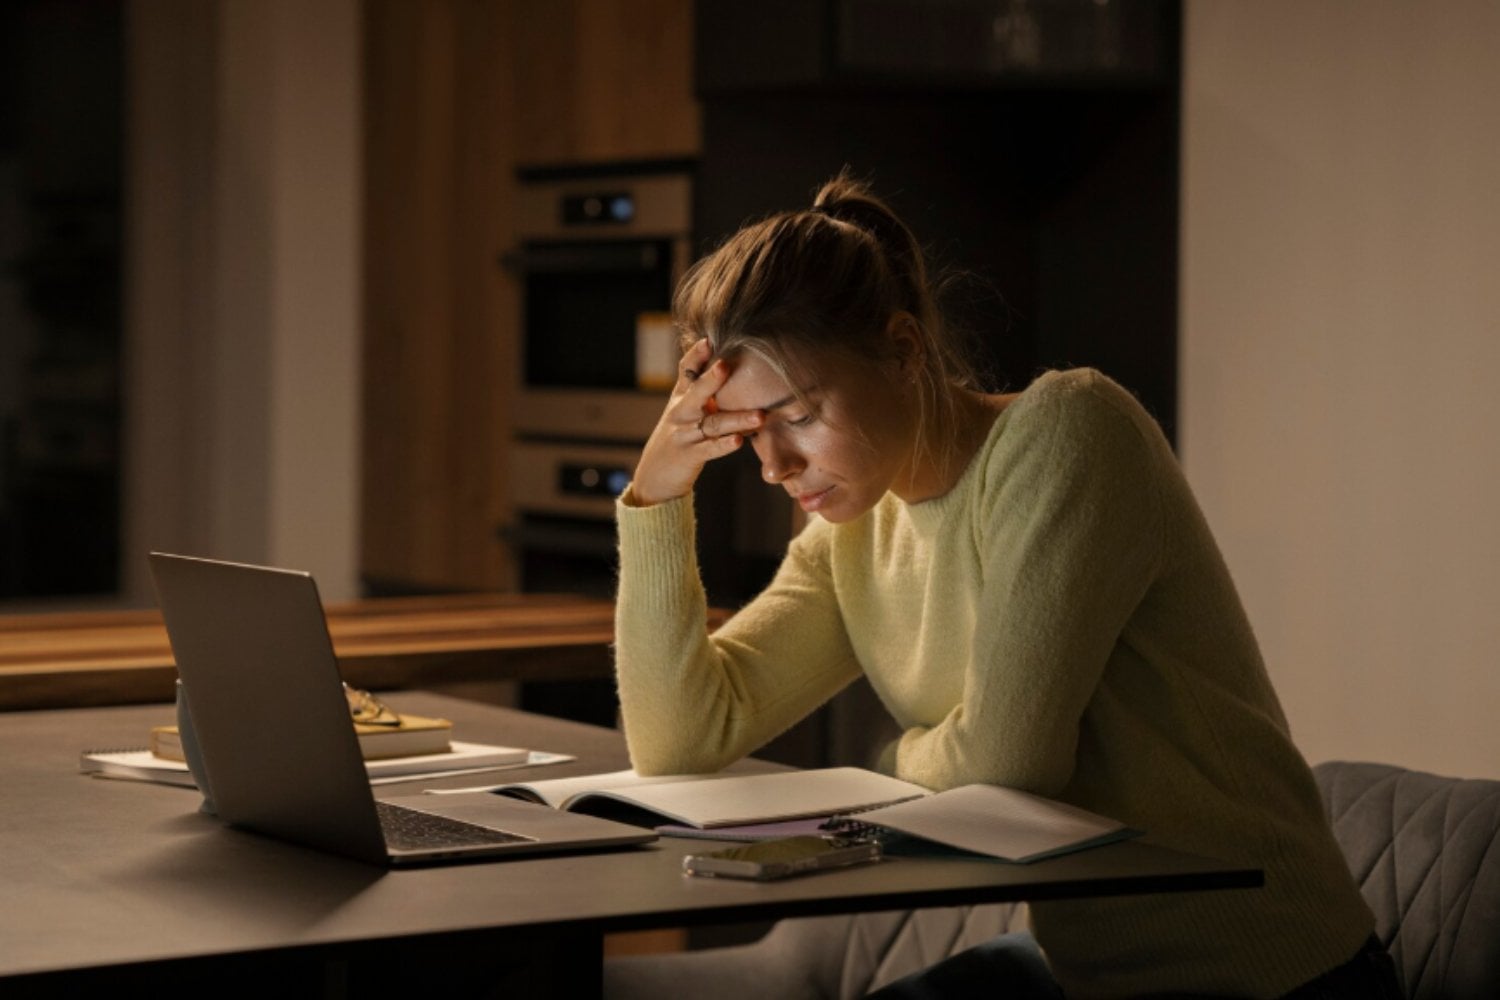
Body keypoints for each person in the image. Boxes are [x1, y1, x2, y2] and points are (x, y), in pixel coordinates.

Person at [611, 173, 1398, 999]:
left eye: (799, 415)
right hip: (1085, 973)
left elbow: (1008, 763)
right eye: (748, 431)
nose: (773, 466)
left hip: (1271, 977)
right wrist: (657, 496)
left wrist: (881, 767)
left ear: (905, 349)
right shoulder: (851, 527)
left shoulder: (1067, 433)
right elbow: (678, 742)